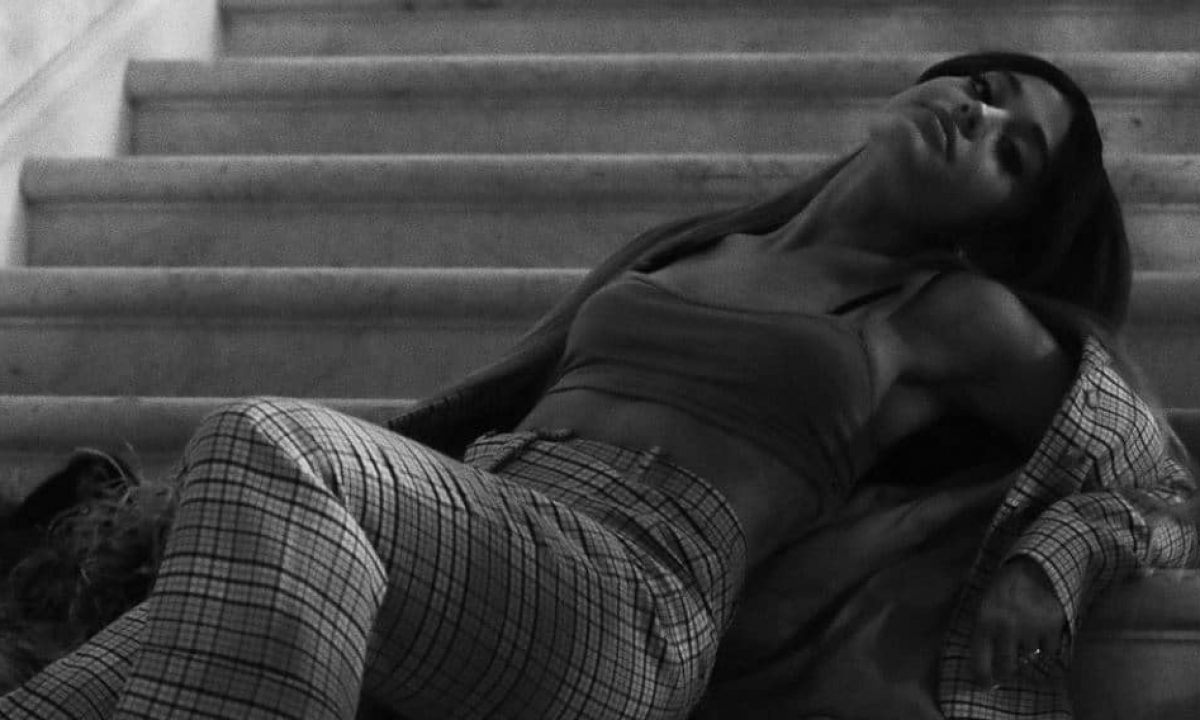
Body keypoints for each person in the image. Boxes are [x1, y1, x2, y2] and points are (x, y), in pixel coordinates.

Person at [0, 51, 1195, 720]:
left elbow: (1160, 485)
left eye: (1011, 150)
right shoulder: (695, 248)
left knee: (267, 440)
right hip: (483, 534)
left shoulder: (948, 312)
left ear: (997, 224)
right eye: (982, 89)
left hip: (629, 600)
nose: (977, 118)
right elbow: (486, 413)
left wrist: (1058, 556)